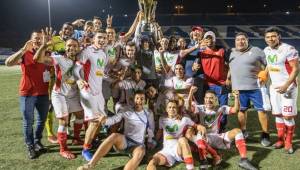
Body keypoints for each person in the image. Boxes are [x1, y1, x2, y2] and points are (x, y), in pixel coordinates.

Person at [34, 29, 85, 159]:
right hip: (59, 94)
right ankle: (63, 149)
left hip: (73, 95)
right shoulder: (58, 59)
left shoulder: (80, 61)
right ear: (65, 47)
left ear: (78, 48)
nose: (71, 48)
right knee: (63, 121)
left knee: (80, 115)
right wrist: (44, 45)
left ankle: (76, 138)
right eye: (69, 45)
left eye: (74, 46)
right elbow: (38, 59)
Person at [77, 90, 155, 170]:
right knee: (114, 135)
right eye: (137, 98)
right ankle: (90, 165)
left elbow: (151, 128)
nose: (139, 101)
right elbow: (114, 119)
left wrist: (150, 140)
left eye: (142, 99)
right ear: (133, 100)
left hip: (138, 145)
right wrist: (105, 120)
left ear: (145, 100)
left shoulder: (149, 113)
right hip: (125, 142)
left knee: (141, 151)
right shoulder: (126, 110)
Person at [5, 31, 49, 159]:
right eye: (36, 38)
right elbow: (8, 63)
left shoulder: (47, 53)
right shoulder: (25, 53)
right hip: (27, 93)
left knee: (42, 120)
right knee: (28, 122)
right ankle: (30, 145)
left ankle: (37, 141)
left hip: (43, 93)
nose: (39, 40)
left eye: (41, 38)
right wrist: (23, 50)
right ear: (30, 40)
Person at [187, 89, 257, 170]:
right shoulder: (199, 108)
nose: (208, 100)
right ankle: (204, 161)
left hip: (217, 137)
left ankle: (244, 160)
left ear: (216, 99)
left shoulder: (221, 108)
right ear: (204, 99)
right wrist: (191, 93)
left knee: (238, 131)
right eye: (206, 98)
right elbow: (189, 108)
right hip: (204, 138)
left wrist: (236, 97)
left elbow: (235, 110)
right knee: (199, 134)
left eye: (211, 98)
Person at [229, 32, 271, 147]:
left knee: (261, 110)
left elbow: (269, 63)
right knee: (242, 111)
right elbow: (231, 66)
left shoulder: (256, 50)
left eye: (243, 39)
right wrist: (228, 78)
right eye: (238, 40)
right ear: (235, 42)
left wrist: (264, 74)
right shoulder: (232, 53)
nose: (240, 42)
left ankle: (265, 134)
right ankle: (243, 132)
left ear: (247, 40)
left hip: (255, 87)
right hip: (239, 89)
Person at [74, 31, 109, 161]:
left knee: (102, 119)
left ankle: (92, 141)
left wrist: (113, 76)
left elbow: (100, 73)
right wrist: (78, 79)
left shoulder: (103, 53)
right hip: (87, 91)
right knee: (94, 121)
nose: (102, 40)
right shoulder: (87, 51)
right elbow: (76, 68)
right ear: (94, 39)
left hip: (98, 92)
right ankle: (85, 149)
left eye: (104, 38)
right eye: (99, 37)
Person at [263, 27, 299, 154]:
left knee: (287, 116)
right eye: (268, 37)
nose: (270, 39)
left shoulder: (289, 49)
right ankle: (280, 139)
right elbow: (269, 64)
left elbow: (295, 69)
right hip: (274, 88)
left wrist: (286, 85)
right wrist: (264, 74)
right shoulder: (266, 50)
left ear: (279, 37)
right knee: (278, 114)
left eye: (273, 36)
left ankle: (288, 141)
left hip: (288, 88)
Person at [147, 100, 206, 170]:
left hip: (179, 148)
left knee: (183, 139)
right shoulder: (162, 119)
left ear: (177, 109)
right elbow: (160, 131)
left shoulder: (184, 119)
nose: (172, 109)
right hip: (166, 150)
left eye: (174, 107)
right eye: (170, 107)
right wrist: (154, 142)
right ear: (166, 109)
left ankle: (190, 167)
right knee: (153, 161)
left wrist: (201, 127)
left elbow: (196, 126)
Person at [197, 31, 230, 132]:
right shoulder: (201, 52)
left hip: (221, 84)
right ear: (204, 41)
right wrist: (195, 66)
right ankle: (209, 127)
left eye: (211, 39)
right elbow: (196, 64)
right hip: (208, 85)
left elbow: (230, 64)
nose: (209, 41)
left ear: (214, 40)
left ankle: (222, 128)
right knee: (209, 107)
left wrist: (228, 78)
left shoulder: (222, 50)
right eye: (207, 39)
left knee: (222, 107)